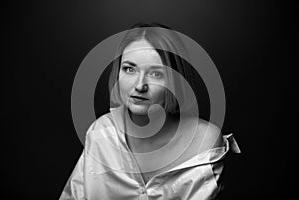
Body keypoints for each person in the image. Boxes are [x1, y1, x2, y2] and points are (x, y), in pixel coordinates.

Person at [60, 23, 240, 200]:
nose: (139, 86)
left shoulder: (205, 141)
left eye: (156, 74)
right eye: (129, 69)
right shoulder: (101, 131)